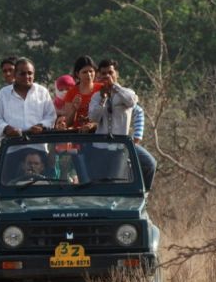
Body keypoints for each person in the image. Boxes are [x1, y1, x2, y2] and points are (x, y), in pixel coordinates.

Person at [88, 59, 156, 190]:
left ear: (116, 74)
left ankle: (142, 194)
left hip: (120, 146)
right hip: (100, 147)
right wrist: (103, 99)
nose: (107, 76)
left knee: (149, 164)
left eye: (110, 72)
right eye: (103, 73)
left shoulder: (126, 93)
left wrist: (115, 87)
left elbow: (132, 102)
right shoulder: (96, 96)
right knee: (102, 184)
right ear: (99, 76)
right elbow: (93, 117)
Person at [0, 57, 56, 140]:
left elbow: (51, 116)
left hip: (38, 144)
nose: (26, 76)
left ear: (34, 74)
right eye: (22, 73)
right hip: (12, 146)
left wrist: (41, 126)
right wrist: (6, 128)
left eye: (30, 73)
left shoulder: (42, 92)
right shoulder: (2, 94)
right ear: (15, 75)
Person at [61, 55, 102, 130]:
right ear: (77, 74)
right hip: (79, 136)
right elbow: (68, 124)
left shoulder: (102, 89)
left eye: (91, 71)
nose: (89, 75)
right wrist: (74, 109)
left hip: (99, 135)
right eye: (84, 72)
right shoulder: (71, 93)